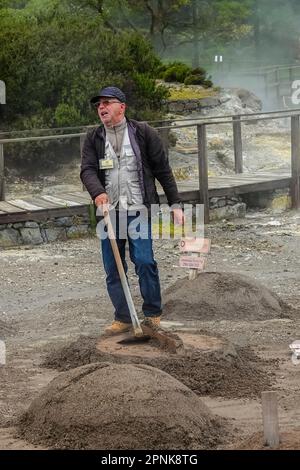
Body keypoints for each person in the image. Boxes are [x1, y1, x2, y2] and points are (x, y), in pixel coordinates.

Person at [80, 86, 184, 334]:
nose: (101, 108)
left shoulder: (143, 132)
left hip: (139, 209)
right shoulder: (93, 137)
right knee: (113, 266)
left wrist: (175, 205)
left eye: (106, 102)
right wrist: (97, 192)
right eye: (98, 105)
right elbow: (87, 170)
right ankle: (124, 317)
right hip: (109, 213)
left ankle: (152, 313)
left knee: (145, 261)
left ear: (121, 107)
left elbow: (163, 171)